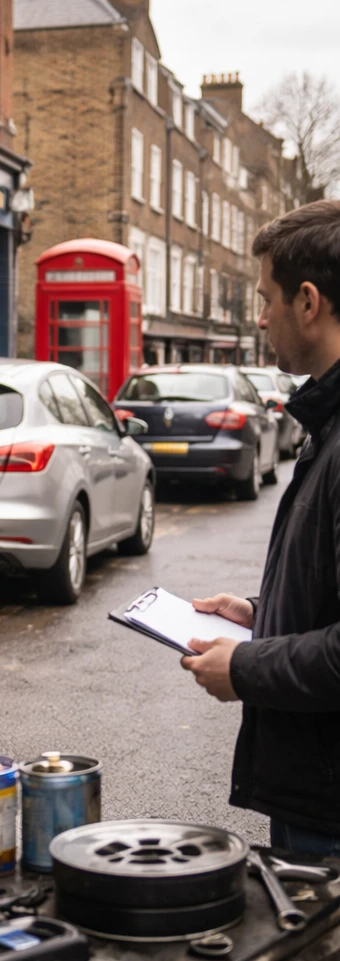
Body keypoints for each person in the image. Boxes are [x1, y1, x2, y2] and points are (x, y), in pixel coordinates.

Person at [181, 200, 340, 856]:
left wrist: (247, 666)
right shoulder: (327, 418)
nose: (260, 315)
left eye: (265, 296)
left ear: (308, 301)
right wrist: (261, 611)